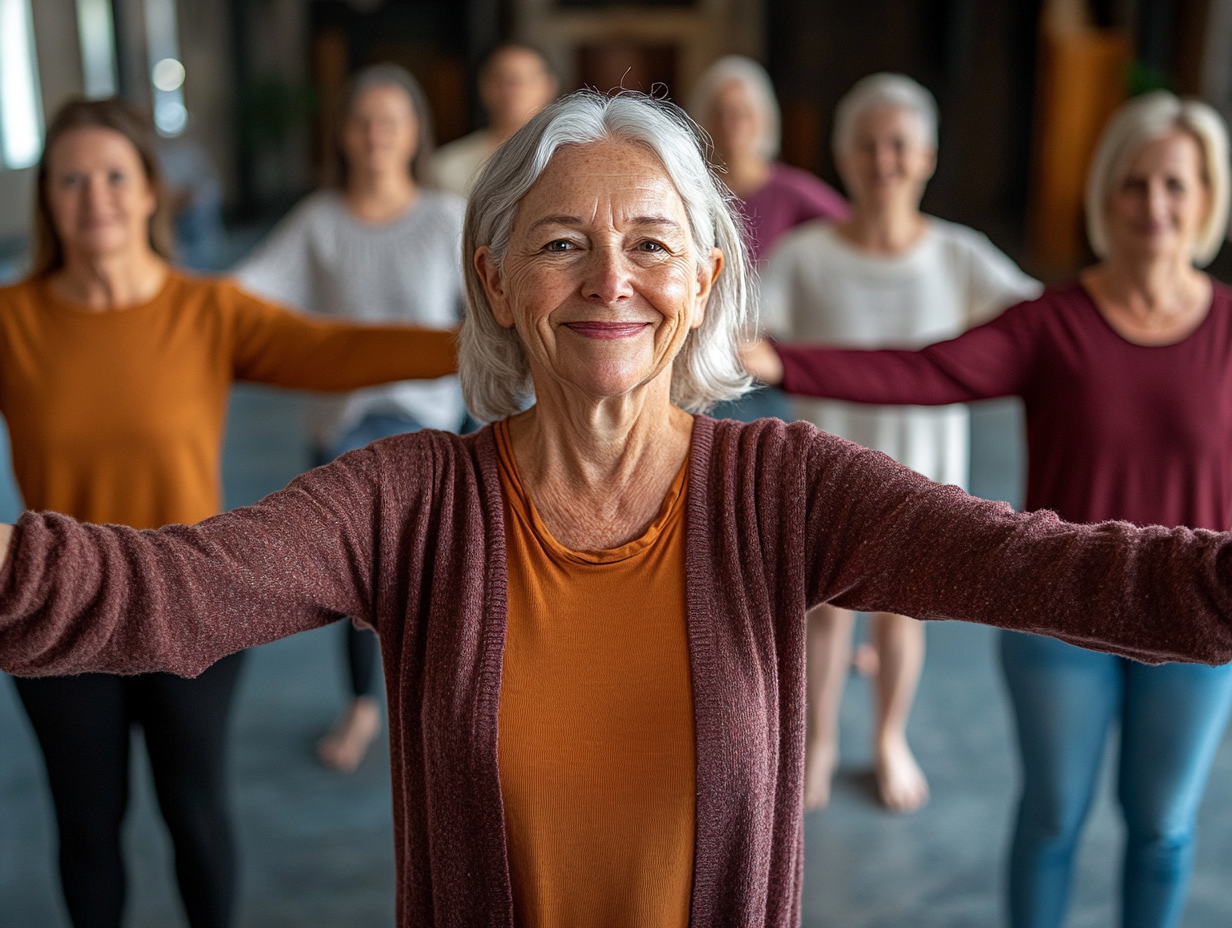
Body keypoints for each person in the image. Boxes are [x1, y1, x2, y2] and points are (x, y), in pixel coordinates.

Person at [4, 91, 1232, 928]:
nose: (610, 281)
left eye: (651, 243)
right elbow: (170, 593)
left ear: (705, 277)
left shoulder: (784, 490)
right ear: (493, 279)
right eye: (558, 245)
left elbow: (1043, 566)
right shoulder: (407, 502)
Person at [743, 90, 1232, 928]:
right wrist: (785, 362)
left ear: (1207, 197)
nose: (1154, 203)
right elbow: (926, 370)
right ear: (1105, 194)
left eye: (1174, 184)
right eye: (1134, 183)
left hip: (1201, 614)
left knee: (1163, 830)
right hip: (1058, 617)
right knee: (1052, 817)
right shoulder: (1054, 324)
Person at [2, 97, 457, 928]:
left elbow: (331, 349)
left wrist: (482, 344)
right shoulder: (13, 322)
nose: (95, 196)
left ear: (150, 191)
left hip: (190, 605)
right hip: (56, 609)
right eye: (71, 179)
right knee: (87, 825)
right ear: (48, 200)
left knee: (197, 812)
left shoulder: (205, 311)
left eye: (115, 176)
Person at [758, 73, 1041, 813]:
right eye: (867, 145)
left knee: (904, 616)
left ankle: (889, 739)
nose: (883, 160)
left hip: (923, 476)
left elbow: (1043, 326)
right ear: (842, 156)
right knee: (825, 615)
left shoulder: (959, 255)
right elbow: (744, 327)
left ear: (927, 157)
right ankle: (819, 743)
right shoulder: (806, 255)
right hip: (825, 478)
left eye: (898, 145)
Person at [236, 64, 466, 773]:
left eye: (390, 122)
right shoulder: (320, 220)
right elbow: (245, 292)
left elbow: (497, 308)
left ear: (415, 133)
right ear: (342, 134)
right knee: (363, 583)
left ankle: (438, 707)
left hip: (428, 425)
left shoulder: (447, 218)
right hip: (341, 429)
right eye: (362, 122)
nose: (375, 136)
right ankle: (366, 704)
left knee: (425, 578)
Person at [687, 55, 849, 423]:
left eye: (742, 112)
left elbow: (854, 237)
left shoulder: (793, 191)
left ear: (764, 119)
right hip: (695, 362)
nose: (731, 122)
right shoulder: (690, 192)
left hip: (764, 372)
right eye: (719, 112)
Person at [432, 43, 558, 198]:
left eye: (524, 78)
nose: (513, 88)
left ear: (549, 86)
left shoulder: (568, 155)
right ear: (483, 85)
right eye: (502, 79)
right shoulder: (449, 164)